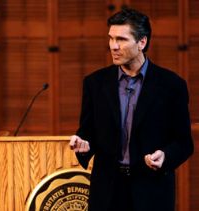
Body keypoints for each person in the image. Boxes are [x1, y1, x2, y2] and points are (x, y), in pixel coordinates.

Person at [69, 8, 194, 211]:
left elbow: (183, 143)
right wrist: (82, 143)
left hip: (152, 193)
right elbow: (87, 132)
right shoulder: (95, 83)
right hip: (107, 193)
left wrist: (165, 156)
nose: (113, 46)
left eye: (121, 39)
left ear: (142, 42)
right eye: (110, 39)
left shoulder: (171, 85)